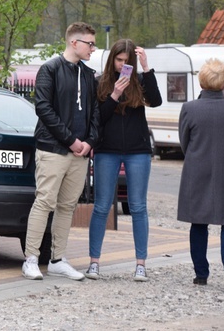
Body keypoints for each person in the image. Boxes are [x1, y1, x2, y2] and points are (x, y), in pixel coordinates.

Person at [22, 22, 99, 282]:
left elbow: (95, 112)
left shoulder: (89, 75)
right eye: (90, 43)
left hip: (80, 154)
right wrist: (70, 140)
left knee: (67, 206)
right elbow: (43, 108)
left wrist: (89, 141)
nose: (93, 48)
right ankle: (31, 260)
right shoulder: (50, 69)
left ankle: (58, 259)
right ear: (74, 42)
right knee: (44, 202)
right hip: (53, 149)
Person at [86, 39, 162, 282]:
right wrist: (115, 94)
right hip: (106, 150)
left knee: (138, 206)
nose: (122, 65)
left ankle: (141, 264)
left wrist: (146, 68)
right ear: (112, 60)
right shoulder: (100, 83)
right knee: (101, 206)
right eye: (119, 60)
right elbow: (99, 118)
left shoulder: (139, 82)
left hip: (137, 151)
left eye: (127, 61)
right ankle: (94, 262)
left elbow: (157, 101)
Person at [177, 58, 224, 294]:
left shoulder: (189, 108)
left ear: (201, 80)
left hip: (197, 170)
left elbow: (184, 143)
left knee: (198, 223)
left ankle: (201, 274)